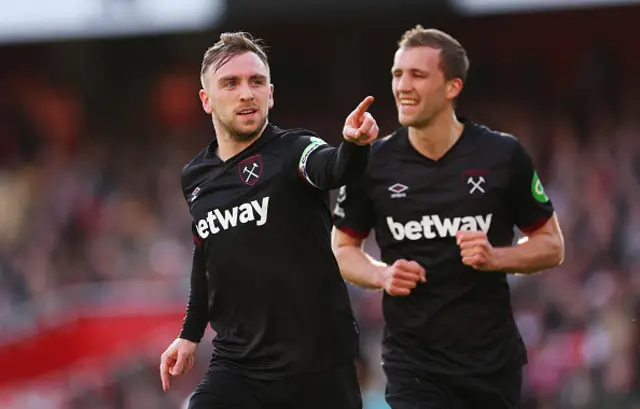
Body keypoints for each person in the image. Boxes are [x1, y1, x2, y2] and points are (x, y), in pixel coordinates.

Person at [331, 25, 565, 409]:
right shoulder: (372, 162)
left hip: (492, 365)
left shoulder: (502, 156)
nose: (402, 86)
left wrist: (496, 257)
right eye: (397, 74)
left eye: (418, 75)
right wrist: (381, 274)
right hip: (414, 367)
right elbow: (342, 248)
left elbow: (552, 245)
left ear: (452, 87)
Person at [159, 31, 379, 409]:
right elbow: (206, 257)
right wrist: (189, 335)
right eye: (231, 83)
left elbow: (334, 169)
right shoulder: (195, 177)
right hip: (239, 364)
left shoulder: (295, 150)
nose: (246, 93)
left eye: (256, 81)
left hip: (317, 364)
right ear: (206, 100)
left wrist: (354, 147)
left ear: (271, 93)